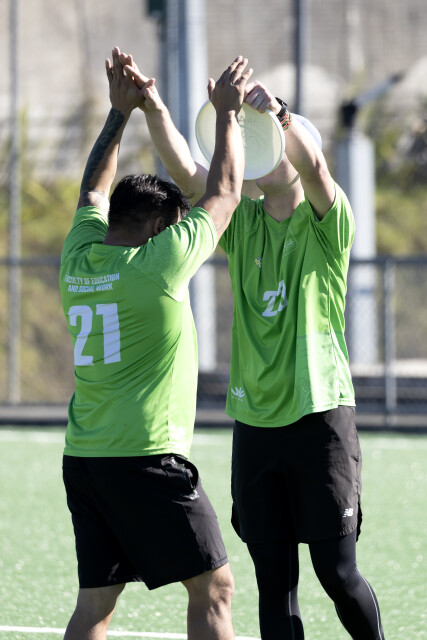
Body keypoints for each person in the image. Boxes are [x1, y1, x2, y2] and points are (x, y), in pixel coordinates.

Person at [121, 53, 386, 640]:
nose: (265, 154)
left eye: (274, 144)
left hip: (319, 417)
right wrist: (153, 107)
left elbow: (317, 167)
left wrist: (280, 115)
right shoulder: (242, 223)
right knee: (274, 581)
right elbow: (188, 170)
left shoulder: (327, 222)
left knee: (337, 573)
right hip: (256, 424)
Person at [59, 46, 253, 640]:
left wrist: (120, 113)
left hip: (85, 458)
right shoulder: (158, 265)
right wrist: (227, 114)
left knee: (96, 603)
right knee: (214, 588)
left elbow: (93, 190)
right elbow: (225, 192)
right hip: (146, 457)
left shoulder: (78, 257)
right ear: (154, 228)